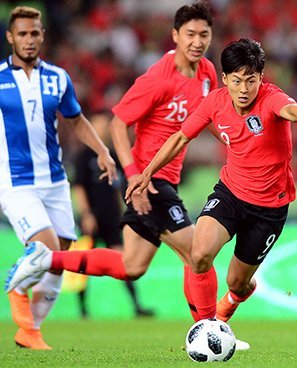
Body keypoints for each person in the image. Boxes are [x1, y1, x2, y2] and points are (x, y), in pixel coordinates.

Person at [4, 2, 257, 348]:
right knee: (197, 252)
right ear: (175, 36)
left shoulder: (209, 73)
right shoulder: (157, 78)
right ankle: (208, 332)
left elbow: (206, 118)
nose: (197, 42)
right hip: (152, 181)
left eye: (204, 34)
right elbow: (120, 123)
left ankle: (45, 259)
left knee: (131, 265)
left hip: (165, 178)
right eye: (190, 34)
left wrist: (237, 141)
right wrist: (135, 175)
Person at [124, 38, 297, 323]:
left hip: (268, 209)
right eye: (236, 81)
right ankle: (207, 327)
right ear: (224, 79)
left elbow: (290, 109)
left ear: (261, 77)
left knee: (237, 283)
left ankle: (232, 301)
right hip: (231, 194)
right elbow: (180, 138)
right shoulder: (215, 102)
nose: (244, 89)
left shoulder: (272, 97)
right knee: (199, 255)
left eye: (251, 80)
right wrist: (147, 172)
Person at [1, 6, 117, 350]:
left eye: (34, 33)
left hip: (54, 181)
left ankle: (30, 330)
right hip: (15, 181)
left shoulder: (58, 77)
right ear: (10, 37)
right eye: (22, 33)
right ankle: (17, 287)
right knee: (47, 247)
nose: (29, 39)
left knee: (61, 256)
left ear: (43, 36)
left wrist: (103, 151)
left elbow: (77, 120)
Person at [72, 113, 154, 318]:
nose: (103, 129)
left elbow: (119, 189)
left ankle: (137, 305)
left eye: (105, 125)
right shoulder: (84, 156)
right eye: (98, 124)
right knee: (84, 262)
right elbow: (79, 187)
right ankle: (82, 310)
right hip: (92, 218)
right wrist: (86, 214)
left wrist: (123, 212)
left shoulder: (114, 157)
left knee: (124, 260)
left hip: (112, 218)